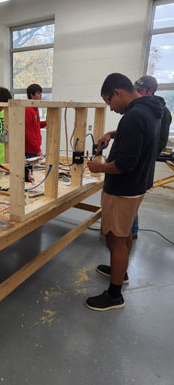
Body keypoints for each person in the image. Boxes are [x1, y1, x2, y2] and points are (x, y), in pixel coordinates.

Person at [86, 73, 162, 311]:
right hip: (137, 186)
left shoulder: (133, 116)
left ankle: (114, 295)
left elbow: (124, 164)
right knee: (124, 231)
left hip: (123, 189)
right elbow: (141, 135)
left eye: (109, 101)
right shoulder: (151, 109)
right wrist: (112, 134)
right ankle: (121, 272)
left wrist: (99, 167)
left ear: (118, 92)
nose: (110, 108)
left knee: (115, 239)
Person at [131, 75, 172, 238]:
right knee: (131, 196)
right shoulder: (138, 107)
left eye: (140, 90)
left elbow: (161, 140)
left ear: (151, 91)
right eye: (136, 90)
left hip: (144, 160)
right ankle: (128, 230)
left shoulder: (162, 111)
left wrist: (146, 155)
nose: (137, 93)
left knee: (133, 195)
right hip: (137, 158)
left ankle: (131, 231)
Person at [25, 83, 46, 158]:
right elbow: (28, 132)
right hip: (30, 150)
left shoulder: (35, 108)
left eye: (41, 93)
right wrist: (37, 149)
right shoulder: (28, 109)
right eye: (38, 93)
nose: (41, 95)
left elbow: (36, 124)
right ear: (32, 95)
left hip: (34, 149)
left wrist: (47, 122)